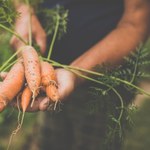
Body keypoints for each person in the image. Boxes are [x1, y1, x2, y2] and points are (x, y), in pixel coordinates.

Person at [11, 0, 150, 150]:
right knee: (49, 140)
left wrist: (74, 73)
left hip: (105, 84)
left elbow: (135, 24)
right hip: (49, 79)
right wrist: (24, 11)